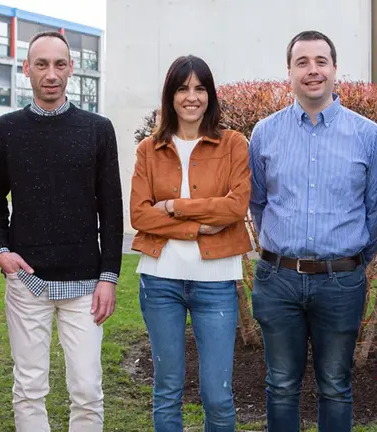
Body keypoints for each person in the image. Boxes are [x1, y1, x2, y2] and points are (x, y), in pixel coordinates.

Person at [0, 31, 123, 432]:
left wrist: (109, 277)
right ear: (26, 69)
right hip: (27, 280)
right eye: (41, 64)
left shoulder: (97, 129)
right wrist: (0, 251)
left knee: (88, 389)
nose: (51, 74)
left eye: (59, 64)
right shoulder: (5, 130)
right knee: (28, 387)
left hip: (85, 284)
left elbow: (112, 208)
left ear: (71, 69)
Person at [248, 30, 377, 431]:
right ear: (289, 71)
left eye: (321, 61)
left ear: (335, 69)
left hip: (341, 281)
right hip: (278, 280)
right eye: (303, 62)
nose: (313, 71)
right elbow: (258, 203)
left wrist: (351, 261)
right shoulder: (264, 134)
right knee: (280, 385)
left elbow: (374, 211)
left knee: (336, 387)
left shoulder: (368, 136)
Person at [130, 54, 252, 432]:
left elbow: (235, 207)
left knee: (217, 393)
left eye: (200, 88)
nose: (191, 97)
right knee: (167, 389)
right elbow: (139, 215)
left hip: (215, 282)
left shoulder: (232, 144)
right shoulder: (148, 149)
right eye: (183, 88)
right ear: (170, 95)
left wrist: (175, 207)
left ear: (210, 95)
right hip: (159, 280)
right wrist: (197, 227)